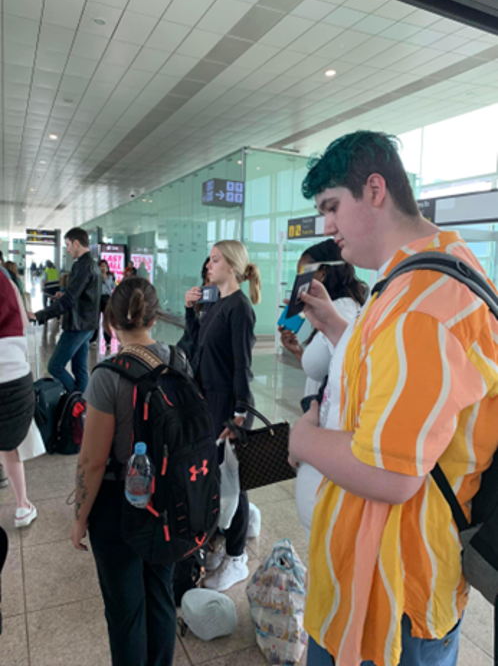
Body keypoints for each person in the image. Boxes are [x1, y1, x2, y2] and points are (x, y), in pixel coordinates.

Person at [287, 131, 498, 666]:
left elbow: (392, 474)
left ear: (375, 189)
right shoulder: (436, 265)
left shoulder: (419, 306)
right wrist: (338, 330)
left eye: (332, 206)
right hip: (386, 583)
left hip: (391, 601)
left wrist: (303, 440)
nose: (326, 225)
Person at [70, 277, 176, 666]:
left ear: (110, 321)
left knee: (125, 611)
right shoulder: (178, 360)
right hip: (169, 499)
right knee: (160, 594)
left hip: (120, 504)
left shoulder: (108, 375)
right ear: (154, 316)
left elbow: (93, 461)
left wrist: (80, 518)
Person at [185, 240, 261, 592]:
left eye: (215, 260)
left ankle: (237, 557)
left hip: (228, 405)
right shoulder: (215, 302)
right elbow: (195, 347)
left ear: (232, 266)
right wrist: (191, 310)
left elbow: (242, 367)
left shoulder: (240, 308)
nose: (208, 266)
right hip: (207, 402)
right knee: (217, 478)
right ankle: (223, 541)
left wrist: (240, 414)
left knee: (234, 482)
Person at [280, 239, 367, 538]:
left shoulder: (341, 306)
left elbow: (316, 366)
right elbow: (330, 364)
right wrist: (298, 350)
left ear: (323, 275)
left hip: (330, 425)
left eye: (304, 272)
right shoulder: (351, 304)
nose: (299, 279)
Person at [28, 228, 101, 394]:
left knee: (55, 366)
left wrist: (39, 315)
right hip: (87, 325)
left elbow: (69, 301)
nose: (67, 249)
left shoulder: (84, 266)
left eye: (68, 245)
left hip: (77, 326)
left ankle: (74, 397)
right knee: (80, 369)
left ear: (76, 243)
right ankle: (82, 405)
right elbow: (80, 295)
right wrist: (66, 294)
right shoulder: (91, 264)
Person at [0, 270, 37, 527]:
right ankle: (22, 507)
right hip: (15, 379)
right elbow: (23, 324)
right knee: (10, 447)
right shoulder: (7, 281)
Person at [177, 257, 211, 360]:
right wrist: (189, 307)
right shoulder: (201, 294)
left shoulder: (228, 301)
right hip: (195, 357)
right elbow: (192, 331)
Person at [90, 260, 115, 351]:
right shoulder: (96, 276)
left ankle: (108, 341)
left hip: (107, 298)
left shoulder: (110, 277)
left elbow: (113, 287)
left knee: (106, 321)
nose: (103, 268)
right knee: (95, 319)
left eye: (104, 266)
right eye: (101, 266)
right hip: (97, 298)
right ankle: (93, 339)